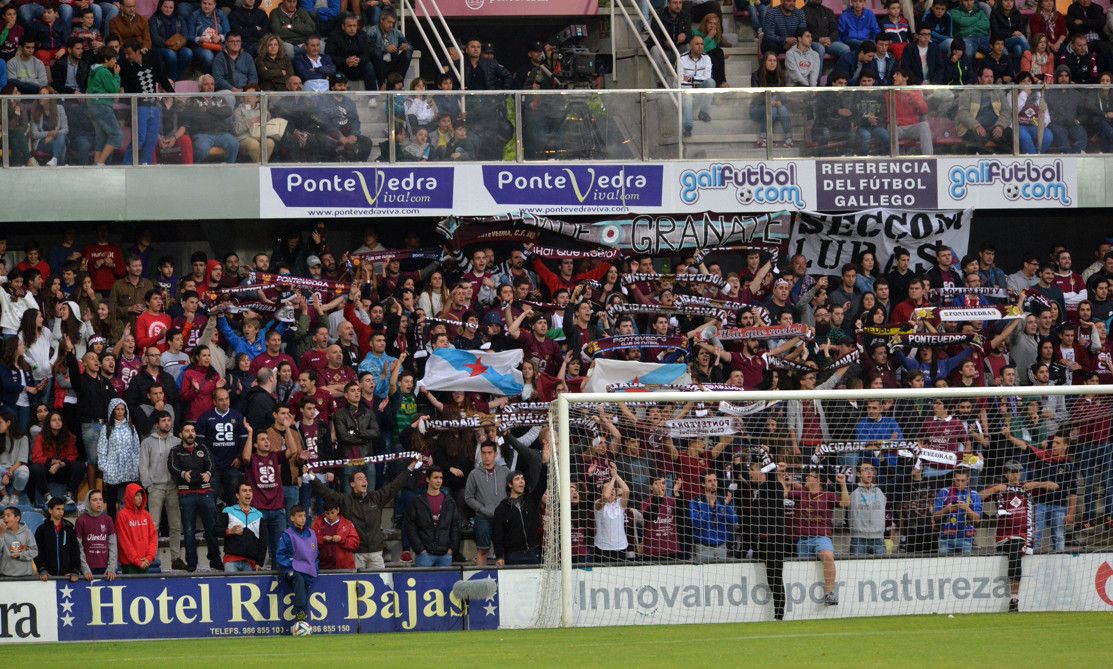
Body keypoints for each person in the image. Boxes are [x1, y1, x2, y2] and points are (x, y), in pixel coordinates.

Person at [980, 459, 1058, 612]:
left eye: (1017, 471)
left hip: (1024, 533)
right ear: (1006, 474)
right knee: (1013, 552)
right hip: (1003, 534)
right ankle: (1012, 598)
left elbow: (1054, 486)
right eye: (1011, 472)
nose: (1015, 475)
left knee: (1015, 552)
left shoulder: (1026, 487)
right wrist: (995, 489)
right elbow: (978, 497)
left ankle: (1014, 599)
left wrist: (1036, 484)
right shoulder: (1000, 488)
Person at [311, 458, 418, 570]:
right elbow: (326, 493)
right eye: (360, 478)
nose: (364, 481)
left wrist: (411, 467)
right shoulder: (345, 501)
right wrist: (312, 477)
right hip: (356, 554)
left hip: (376, 553)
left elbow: (395, 485)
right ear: (352, 484)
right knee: (355, 586)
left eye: (365, 479)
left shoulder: (376, 498)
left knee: (380, 586)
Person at [169, 421, 222, 572]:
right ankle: (191, 562)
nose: (190, 433)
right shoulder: (175, 450)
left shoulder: (203, 448)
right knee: (189, 530)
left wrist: (209, 473)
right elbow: (172, 467)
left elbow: (212, 464)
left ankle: (215, 561)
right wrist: (182, 473)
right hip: (186, 494)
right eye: (187, 431)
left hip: (205, 493)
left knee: (211, 528)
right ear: (181, 435)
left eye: (192, 431)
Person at [792, 469, 847, 605]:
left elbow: (845, 503)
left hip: (821, 537)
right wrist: (783, 478)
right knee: (804, 573)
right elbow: (782, 494)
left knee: (828, 556)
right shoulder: (801, 493)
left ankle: (829, 593)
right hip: (803, 539)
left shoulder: (828, 495)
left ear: (818, 480)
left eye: (809, 476)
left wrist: (843, 484)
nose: (806, 478)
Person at [492, 433, 549, 566]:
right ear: (510, 484)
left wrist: (545, 463)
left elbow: (542, 484)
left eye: (522, 479)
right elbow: (497, 535)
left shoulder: (531, 500)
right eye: (517, 479)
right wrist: (500, 556)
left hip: (533, 552)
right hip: (513, 555)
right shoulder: (501, 508)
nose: (521, 482)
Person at [139, 410, 186, 570]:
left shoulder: (178, 441)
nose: (167, 423)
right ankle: (153, 558)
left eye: (169, 420)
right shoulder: (147, 442)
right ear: (157, 423)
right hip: (156, 488)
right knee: (153, 526)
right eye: (164, 421)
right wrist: (149, 486)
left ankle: (176, 558)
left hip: (173, 488)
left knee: (175, 525)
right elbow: (143, 466)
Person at [240, 426, 286, 568]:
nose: (266, 441)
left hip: (278, 509)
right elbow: (245, 457)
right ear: (255, 444)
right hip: (258, 510)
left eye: (267, 439)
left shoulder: (274, 456)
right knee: (258, 546)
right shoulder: (252, 459)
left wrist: (288, 429)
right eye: (262, 439)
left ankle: (277, 578)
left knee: (278, 548)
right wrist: (251, 433)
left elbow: (294, 451)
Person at [402, 465, 459, 567]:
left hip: (445, 554)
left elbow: (455, 526)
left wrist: (451, 549)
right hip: (424, 555)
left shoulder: (449, 501)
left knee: (445, 583)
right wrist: (420, 549)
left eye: (441, 478)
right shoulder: (417, 501)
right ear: (428, 479)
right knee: (423, 583)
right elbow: (410, 527)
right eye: (435, 478)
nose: (439, 481)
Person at [96, 398, 141, 517]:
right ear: (112, 411)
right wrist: (104, 466)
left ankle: (131, 520)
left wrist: (136, 465)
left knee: (131, 497)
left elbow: (136, 448)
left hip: (129, 468)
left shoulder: (131, 427)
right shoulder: (107, 428)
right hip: (113, 469)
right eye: (117, 409)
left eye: (122, 409)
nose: (120, 412)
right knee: (111, 499)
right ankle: (112, 524)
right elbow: (102, 448)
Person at [276, 505, 318, 625]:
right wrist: (293, 565)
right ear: (292, 518)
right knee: (298, 579)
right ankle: (299, 612)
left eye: (304, 516)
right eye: (299, 516)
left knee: (303, 586)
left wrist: (315, 567)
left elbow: (315, 555)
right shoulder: (287, 535)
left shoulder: (312, 534)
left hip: (308, 570)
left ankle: (301, 621)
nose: (303, 518)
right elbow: (280, 556)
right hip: (291, 570)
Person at [689, 470, 739, 565]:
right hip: (703, 547)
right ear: (703, 484)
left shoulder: (722, 501)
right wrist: (709, 508)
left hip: (721, 546)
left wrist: (727, 506)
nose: (713, 483)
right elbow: (696, 523)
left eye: (715, 480)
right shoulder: (695, 502)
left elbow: (734, 520)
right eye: (709, 481)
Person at [934, 468, 982, 555]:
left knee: (965, 567)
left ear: (968, 480)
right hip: (946, 539)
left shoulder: (974, 495)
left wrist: (967, 509)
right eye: (957, 480)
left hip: (966, 539)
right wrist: (946, 509)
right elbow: (935, 517)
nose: (960, 483)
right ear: (953, 479)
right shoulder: (944, 492)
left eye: (963, 480)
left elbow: (977, 519)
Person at [220, 482, 267, 572]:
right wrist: (230, 531)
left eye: (250, 491)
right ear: (237, 495)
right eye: (244, 491)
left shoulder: (259, 514)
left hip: (250, 562)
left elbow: (263, 541)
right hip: (231, 560)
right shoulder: (228, 511)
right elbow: (215, 530)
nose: (248, 493)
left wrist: (259, 562)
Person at [34, 496, 81, 581]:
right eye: (58, 509)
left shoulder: (69, 528)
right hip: (47, 577)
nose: (61, 512)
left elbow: (75, 551)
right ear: (50, 510)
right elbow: (38, 552)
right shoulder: (41, 530)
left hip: (67, 577)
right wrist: (42, 570)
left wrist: (75, 571)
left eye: (62, 509)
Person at [75, 489, 118, 580]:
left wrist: (111, 568)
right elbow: (78, 547)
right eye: (95, 500)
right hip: (88, 570)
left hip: (107, 570)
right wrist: (85, 569)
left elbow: (113, 545)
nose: (98, 502)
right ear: (88, 502)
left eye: (100, 499)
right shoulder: (81, 520)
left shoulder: (108, 519)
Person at [115, 482, 157, 574]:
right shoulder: (122, 515)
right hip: (129, 564)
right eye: (137, 495)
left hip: (145, 562)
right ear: (130, 496)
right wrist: (137, 560)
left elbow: (153, 537)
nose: (140, 498)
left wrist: (149, 558)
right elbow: (124, 541)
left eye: (141, 495)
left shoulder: (146, 515)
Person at [592, 464, 630, 562]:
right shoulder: (598, 504)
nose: (612, 490)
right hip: (602, 548)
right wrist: (612, 479)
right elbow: (605, 496)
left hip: (620, 546)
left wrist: (616, 475)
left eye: (613, 489)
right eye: (608, 488)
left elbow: (626, 490)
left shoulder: (620, 504)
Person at [848, 461, 887, 555]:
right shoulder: (852, 488)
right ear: (858, 474)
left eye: (871, 469)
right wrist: (823, 458)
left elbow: (901, 478)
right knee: (856, 568)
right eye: (865, 469)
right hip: (858, 538)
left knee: (882, 568)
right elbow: (834, 477)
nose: (869, 472)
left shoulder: (881, 489)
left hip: (878, 539)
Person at [679, 34, 714, 139]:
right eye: (697, 44)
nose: (700, 46)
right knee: (688, 95)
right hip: (686, 91)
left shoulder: (707, 58)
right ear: (690, 45)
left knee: (711, 82)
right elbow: (680, 80)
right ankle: (688, 127)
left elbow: (707, 78)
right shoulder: (681, 59)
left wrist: (690, 79)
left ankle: (703, 112)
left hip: (699, 91)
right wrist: (697, 80)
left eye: (702, 44)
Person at [312, 499, 359, 570]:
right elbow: (310, 542)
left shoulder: (347, 524)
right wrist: (322, 539)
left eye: (332, 513)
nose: (330, 516)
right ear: (324, 512)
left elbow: (355, 543)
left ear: (338, 510)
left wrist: (341, 540)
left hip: (344, 567)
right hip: (322, 566)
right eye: (327, 513)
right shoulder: (317, 523)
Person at [0, 505, 38, 577]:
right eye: (4, 515)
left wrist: (20, 555)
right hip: (5, 575)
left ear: (17, 518)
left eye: (8, 515)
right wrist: (1, 535)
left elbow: (34, 552)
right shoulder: (1, 531)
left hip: (25, 576)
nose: (5, 518)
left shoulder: (27, 533)